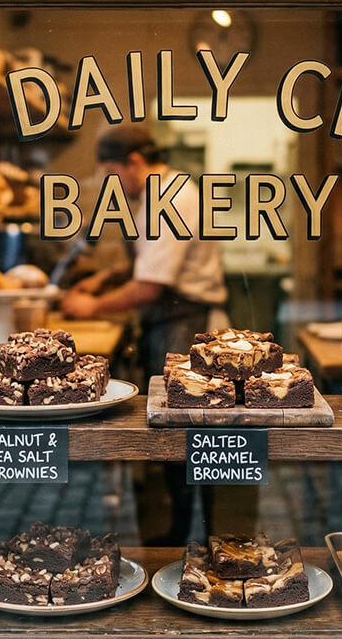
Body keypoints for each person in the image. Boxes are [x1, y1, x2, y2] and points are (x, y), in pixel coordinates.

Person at [59, 124, 229, 546]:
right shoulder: (153, 196)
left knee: (187, 434)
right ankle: (176, 531)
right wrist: (105, 277)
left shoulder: (171, 199)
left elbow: (151, 286)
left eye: (111, 174)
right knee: (177, 433)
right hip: (169, 322)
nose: (109, 187)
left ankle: (192, 537)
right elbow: (148, 264)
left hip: (188, 328)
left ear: (134, 162)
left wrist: (91, 306)